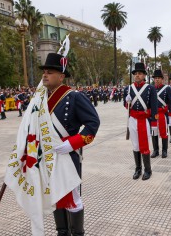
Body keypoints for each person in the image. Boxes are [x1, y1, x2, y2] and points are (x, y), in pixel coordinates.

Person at [40, 53, 100, 235]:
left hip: (68, 156)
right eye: (44, 72)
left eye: (49, 72)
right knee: (55, 194)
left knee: (73, 198)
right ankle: (62, 232)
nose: (44, 75)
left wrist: (72, 144)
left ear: (61, 76)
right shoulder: (41, 99)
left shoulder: (74, 97)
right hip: (49, 156)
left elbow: (93, 123)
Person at [123, 62, 158, 180]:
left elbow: (154, 107)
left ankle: (148, 170)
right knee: (135, 145)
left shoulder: (150, 88)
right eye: (135, 73)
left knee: (144, 145)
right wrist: (126, 101)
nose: (137, 75)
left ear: (144, 75)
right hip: (133, 119)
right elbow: (126, 106)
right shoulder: (128, 89)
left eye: (140, 73)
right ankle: (138, 169)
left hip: (144, 119)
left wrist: (154, 123)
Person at [151, 69, 171, 158]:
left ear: (162, 79)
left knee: (164, 132)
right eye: (155, 78)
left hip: (162, 114)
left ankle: (164, 150)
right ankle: (155, 150)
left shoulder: (167, 88)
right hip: (153, 114)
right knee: (154, 132)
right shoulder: (151, 88)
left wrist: (167, 110)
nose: (157, 80)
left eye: (159, 78)